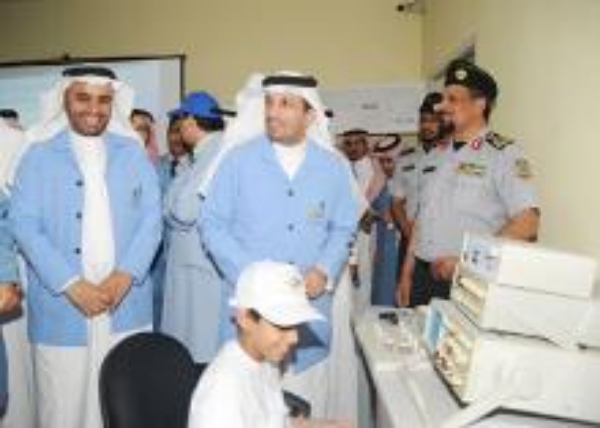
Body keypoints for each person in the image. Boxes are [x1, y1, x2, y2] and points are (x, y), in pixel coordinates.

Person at [200, 72, 359, 421]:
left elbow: (344, 227)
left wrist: (324, 270)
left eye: (285, 104)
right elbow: (211, 224)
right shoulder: (237, 160)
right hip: (253, 327)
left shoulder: (332, 167)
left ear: (310, 114)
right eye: (269, 102)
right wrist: (252, 277)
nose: (273, 112)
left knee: (304, 410)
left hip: (306, 326)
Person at [9, 65, 162, 428]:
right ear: (65, 99)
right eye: (83, 98)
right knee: (62, 407)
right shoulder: (38, 155)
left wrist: (125, 276)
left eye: (103, 100)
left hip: (124, 300)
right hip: (63, 304)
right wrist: (71, 284)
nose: (94, 109)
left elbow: (152, 220)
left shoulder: (132, 153)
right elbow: (24, 225)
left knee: (126, 402)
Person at [397, 59, 540, 307]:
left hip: (465, 282)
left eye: (452, 99)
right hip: (421, 277)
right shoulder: (439, 153)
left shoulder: (503, 154)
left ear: (479, 104)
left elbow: (528, 224)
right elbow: (423, 218)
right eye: (443, 98)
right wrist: (406, 274)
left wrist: (466, 264)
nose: (441, 106)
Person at [187, 260, 350, 428]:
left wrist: (316, 426)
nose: (294, 337)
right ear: (244, 318)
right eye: (282, 326)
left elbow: (273, 421)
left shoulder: (265, 360)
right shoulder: (221, 394)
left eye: (296, 325)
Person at [161, 91, 229, 362]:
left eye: (180, 121)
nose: (178, 129)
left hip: (199, 270)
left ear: (190, 120)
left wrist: (169, 205)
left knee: (200, 350)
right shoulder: (203, 155)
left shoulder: (213, 155)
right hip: (194, 266)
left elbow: (182, 211)